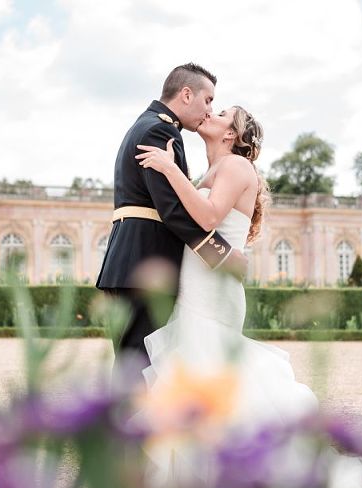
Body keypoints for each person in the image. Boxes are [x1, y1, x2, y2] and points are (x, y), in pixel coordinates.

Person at [135, 105, 362, 488]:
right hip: (197, 284)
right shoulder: (208, 172)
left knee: (211, 365)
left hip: (214, 290)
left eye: (223, 112)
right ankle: (205, 473)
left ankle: (233, 475)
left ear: (232, 134)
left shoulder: (237, 167)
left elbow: (206, 216)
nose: (212, 112)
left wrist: (169, 170)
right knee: (197, 369)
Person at [96, 63, 248, 370]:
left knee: (136, 362)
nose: (209, 110)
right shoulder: (159, 130)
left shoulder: (148, 124)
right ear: (187, 94)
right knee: (139, 365)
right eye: (208, 101)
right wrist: (220, 254)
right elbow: (172, 210)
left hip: (131, 260)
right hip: (145, 262)